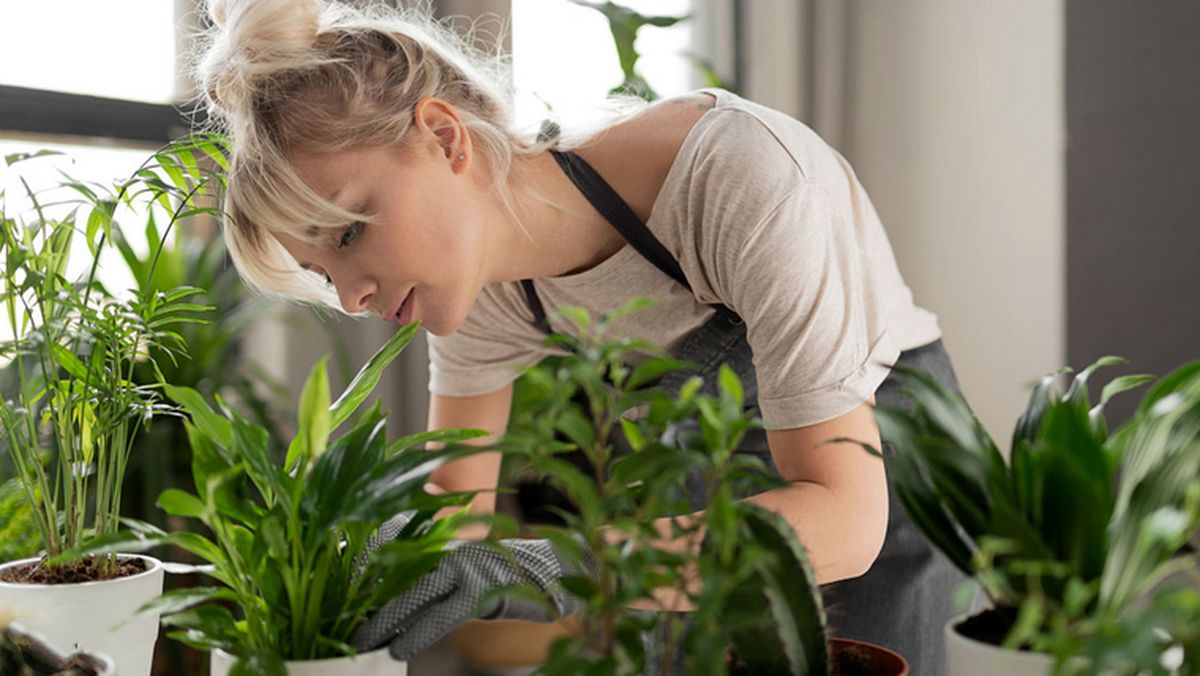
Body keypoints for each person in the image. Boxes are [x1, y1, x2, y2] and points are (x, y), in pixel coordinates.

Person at [196, 0, 968, 673]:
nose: (355, 295)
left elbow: (844, 517)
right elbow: (454, 517)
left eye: (351, 230)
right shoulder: (484, 292)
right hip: (701, 497)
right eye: (323, 274)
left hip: (870, 482)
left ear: (443, 136)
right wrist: (346, 561)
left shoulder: (739, 178)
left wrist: (550, 568)